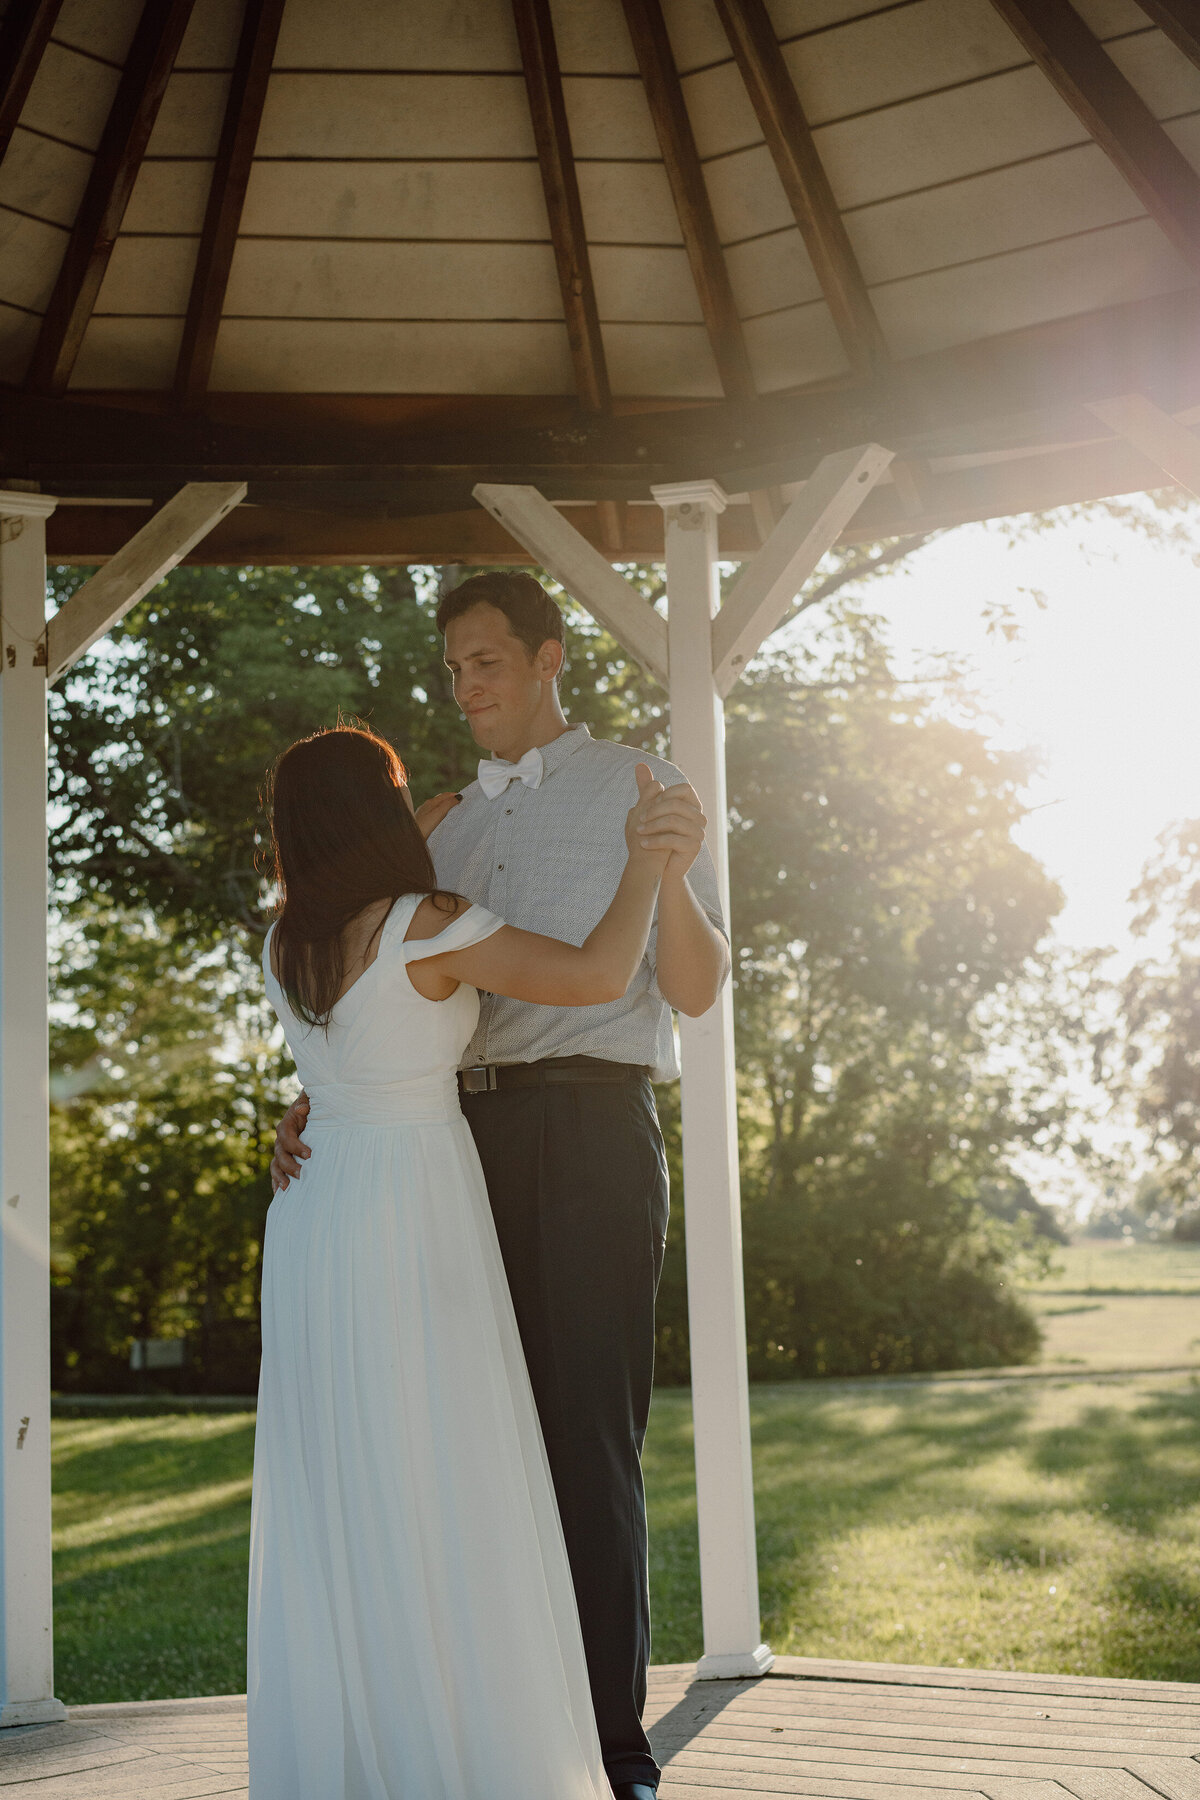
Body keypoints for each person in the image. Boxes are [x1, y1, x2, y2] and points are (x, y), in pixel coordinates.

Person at [272, 572, 730, 1799]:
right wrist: (323, 1092)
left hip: (587, 1133)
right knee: (467, 1445)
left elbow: (691, 989)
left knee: (585, 1444)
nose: (467, 690)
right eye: (453, 671)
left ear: (549, 657)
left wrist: (667, 871)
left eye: (485, 664)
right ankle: (490, 1733)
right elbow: (384, 996)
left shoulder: (645, 786)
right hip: (448, 1152)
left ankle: (611, 1747)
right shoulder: (440, 833)